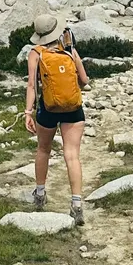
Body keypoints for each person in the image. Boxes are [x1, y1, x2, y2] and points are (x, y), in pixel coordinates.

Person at [24, 13, 88, 226]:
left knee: (43, 149)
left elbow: (32, 85)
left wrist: (28, 112)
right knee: (72, 155)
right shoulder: (69, 50)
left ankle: (40, 194)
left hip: (48, 109)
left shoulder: (36, 53)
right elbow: (85, 80)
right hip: (73, 109)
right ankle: (77, 204)